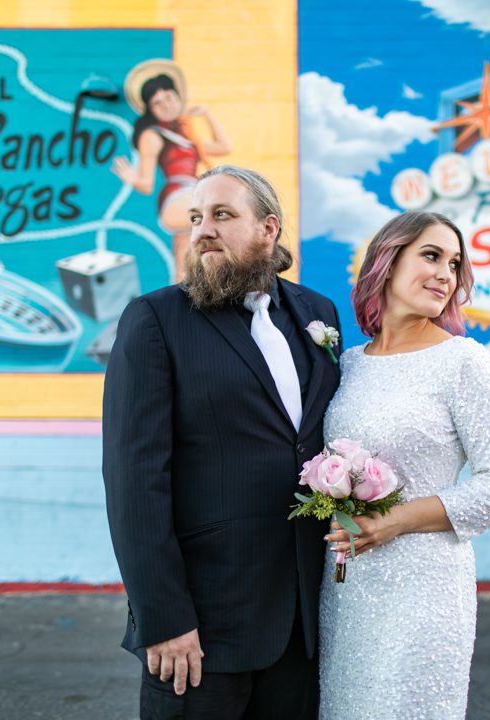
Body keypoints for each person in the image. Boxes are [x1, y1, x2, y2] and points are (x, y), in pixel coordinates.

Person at [102, 164, 342, 719]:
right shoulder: (155, 319)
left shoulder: (318, 314)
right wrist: (163, 618)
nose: (202, 230)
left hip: (301, 624)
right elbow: (134, 482)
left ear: (268, 228)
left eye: (222, 215)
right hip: (202, 627)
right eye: (195, 217)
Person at [318, 211, 490, 719]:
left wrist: (394, 521)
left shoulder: (464, 362)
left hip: (425, 589)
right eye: (431, 256)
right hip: (346, 590)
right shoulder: (350, 364)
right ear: (387, 262)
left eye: (454, 264)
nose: (445, 275)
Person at [113, 59, 232, 282]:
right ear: (150, 110)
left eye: (169, 97)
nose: (166, 105)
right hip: (176, 197)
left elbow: (224, 147)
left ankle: (181, 300)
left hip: (193, 193)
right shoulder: (153, 135)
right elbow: (147, 184)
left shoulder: (185, 134)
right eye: (158, 103)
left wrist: (207, 115)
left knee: (185, 258)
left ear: (178, 96)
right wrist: (131, 178)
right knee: (222, 216)